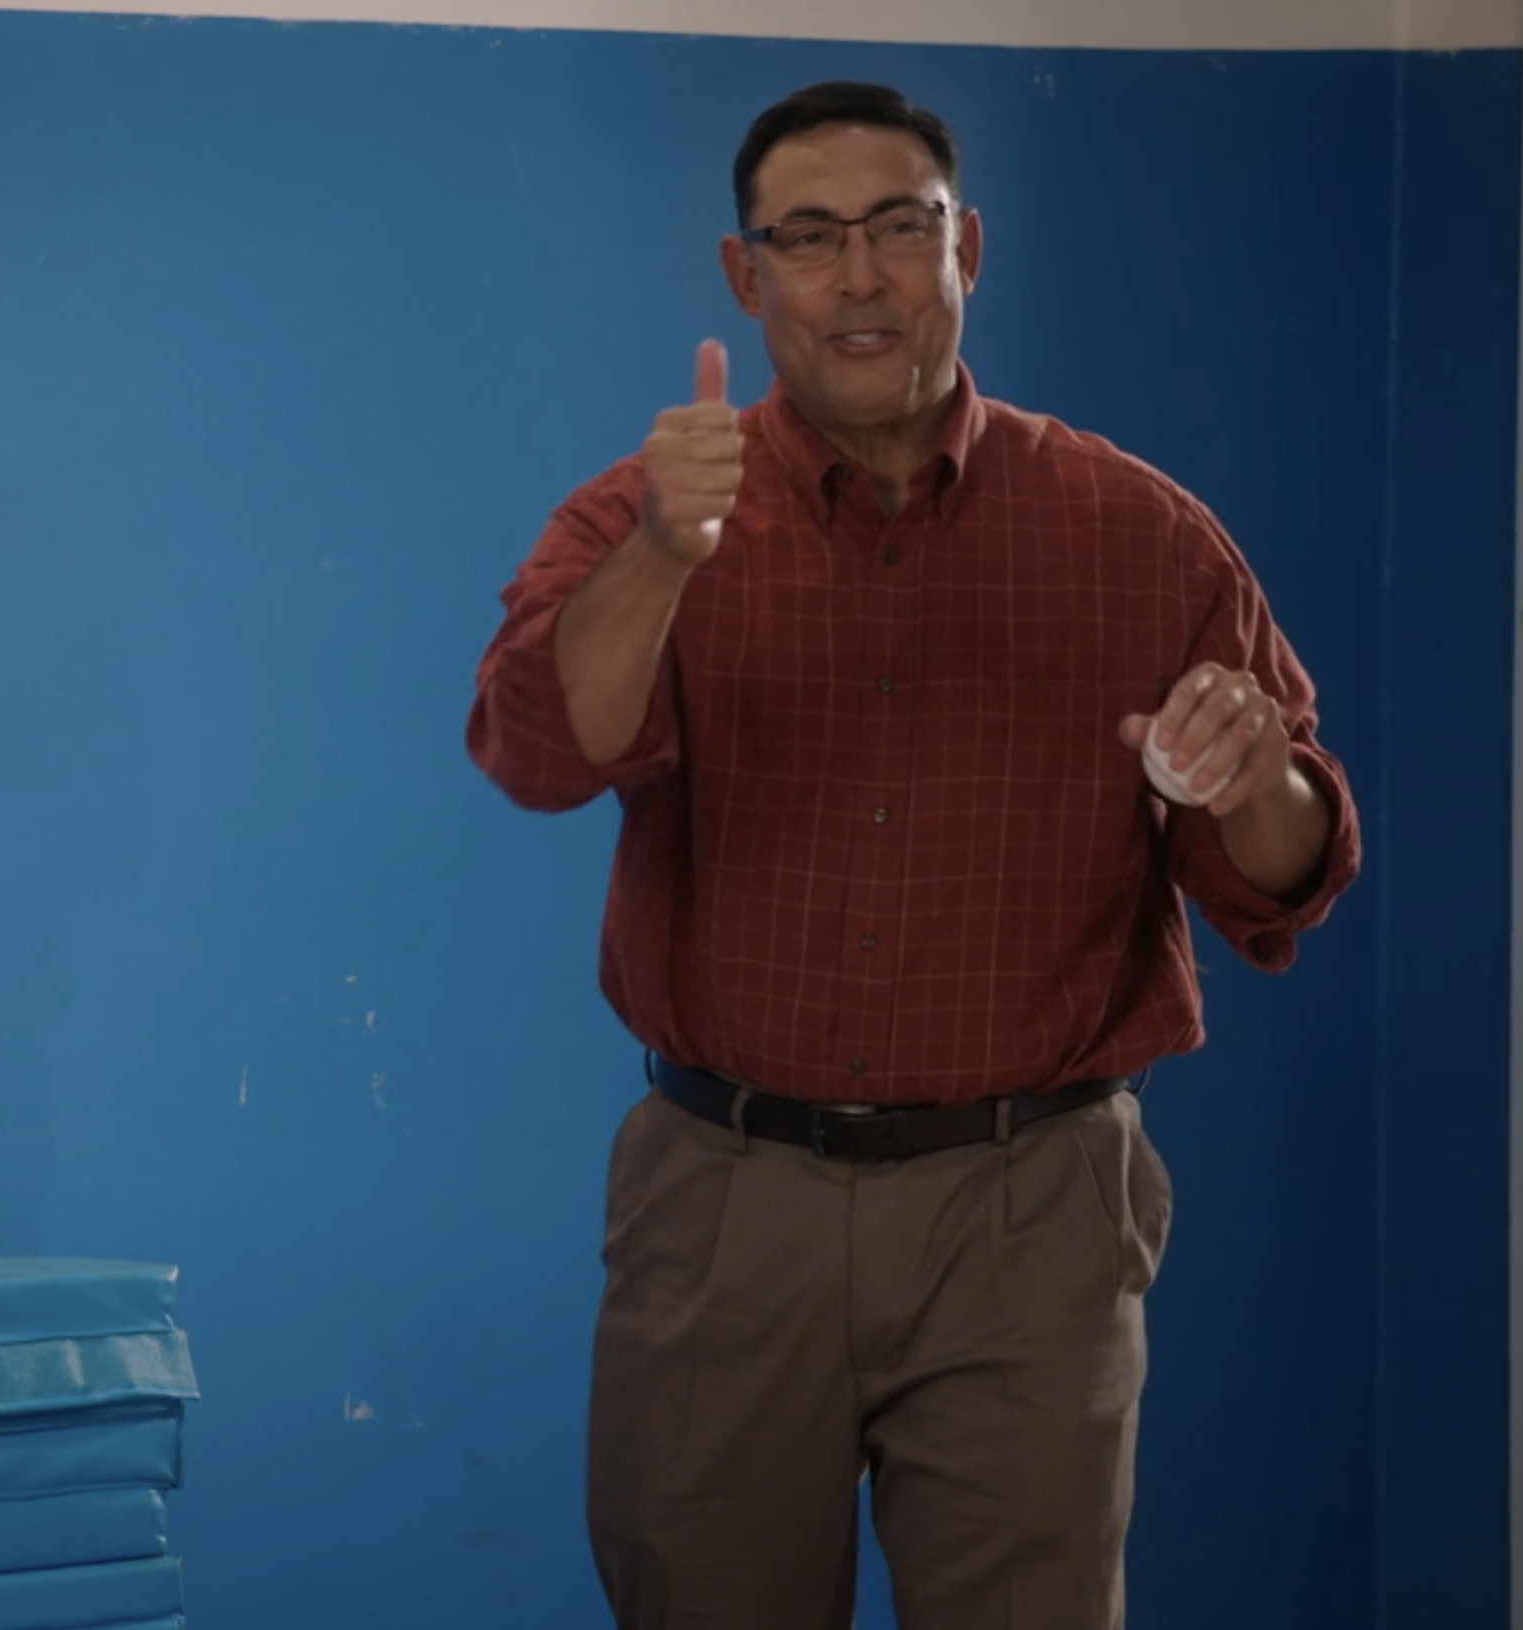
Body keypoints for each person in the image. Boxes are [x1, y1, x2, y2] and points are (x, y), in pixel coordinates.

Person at [464, 80, 1362, 1629]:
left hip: (1033, 1203)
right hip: (727, 1196)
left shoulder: (1139, 532)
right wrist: (663, 562)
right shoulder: (643, 513)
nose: (861, 275)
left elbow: (1284, 876)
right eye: (809, 239)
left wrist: (1255, 771)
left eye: (900, 227)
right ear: (747, 279)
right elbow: (543, 749)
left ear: (969, 249)